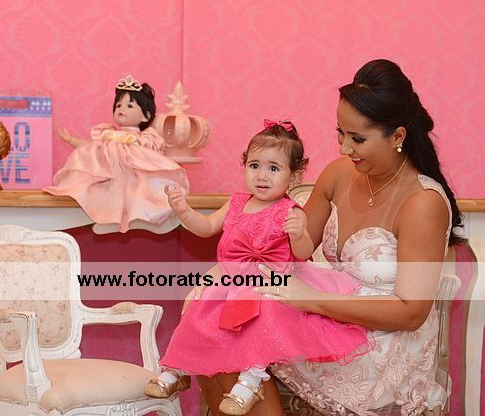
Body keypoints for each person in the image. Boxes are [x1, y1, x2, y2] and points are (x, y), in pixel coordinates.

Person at [198, 59, 463, 416]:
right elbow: (288, 247)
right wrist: (229, 270)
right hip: (325, 317)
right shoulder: (339, 174)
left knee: (235, 331)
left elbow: (411, 312)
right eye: (341, 132)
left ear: (397, 136)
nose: (343, 148)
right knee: (215, 314)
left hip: (384, 346)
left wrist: (311, 300)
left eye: (357, 139)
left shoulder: (423, 203)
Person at [144, 120, 374, 415]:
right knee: (199, 310)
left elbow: (303, 253)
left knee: (264, 316)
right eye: (254, 166)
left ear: (294, 176)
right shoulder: (236, 203)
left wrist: (298, 234)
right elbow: (206, 227)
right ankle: (176, 368)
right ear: (244, 167)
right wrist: (184, 211)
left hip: (270, 282)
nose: (262, 175)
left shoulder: (290, 211)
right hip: (234, 281)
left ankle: (251, 379)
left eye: (273, 168)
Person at [43, 75, 189, 232]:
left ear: (146, 116)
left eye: (129, 106)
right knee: (87, 188)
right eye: (118, 105)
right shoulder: (107, 133)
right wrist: (71, 140)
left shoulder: (144, 138)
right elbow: (90, 148)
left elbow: (152, 160)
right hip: (107, 182)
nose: (121, 109)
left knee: (143, 193)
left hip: (135, 181)